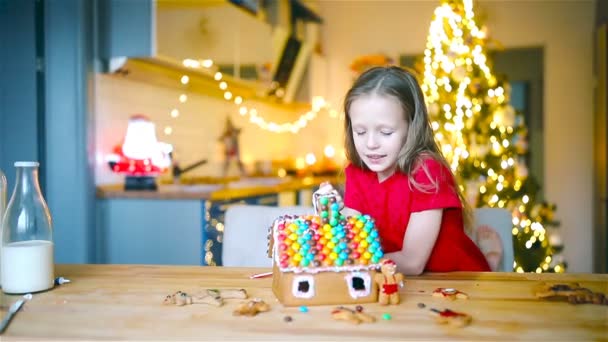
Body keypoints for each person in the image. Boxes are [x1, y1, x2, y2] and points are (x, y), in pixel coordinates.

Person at [324, 66, 490, 275]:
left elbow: (412, 263)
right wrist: (331, 219)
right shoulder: (357, 172)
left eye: (385, 132)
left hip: (455, 282)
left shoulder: (427, 172)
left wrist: (347, 260)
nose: (371, 143)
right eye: (360, 131)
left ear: (411, 127)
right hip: (394, 281)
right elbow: (351, 239)